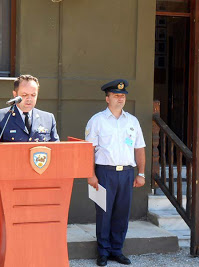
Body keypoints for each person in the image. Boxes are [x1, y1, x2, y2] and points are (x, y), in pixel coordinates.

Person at [85, 79, 146, 266]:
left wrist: (141, 173)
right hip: (104, 173)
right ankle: (103, 252)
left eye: (123, 95)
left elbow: (139, 148)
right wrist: (90, 174)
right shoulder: (97, 121)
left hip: (127, 173)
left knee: (121, 213)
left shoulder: (132, 121)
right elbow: (88, 150)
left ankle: (117, 250)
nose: (120, 99)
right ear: (107, 98)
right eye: (116, 95)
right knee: (103, 213)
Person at [0, 74, 59, 142]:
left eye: (33, 95)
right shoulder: (0, 117)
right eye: (24, 95)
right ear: (15, 94)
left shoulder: (48, 118)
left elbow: (56, 149)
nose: (29, 99)